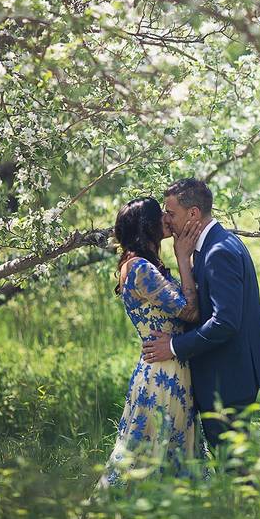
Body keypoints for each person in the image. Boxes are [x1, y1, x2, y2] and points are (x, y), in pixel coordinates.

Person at [142, 178, 260, 450]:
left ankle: (247, 495)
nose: (167, 220)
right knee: (230, 461)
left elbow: (224, 322)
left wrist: (172, 347)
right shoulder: (216, 244)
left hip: (229, 376)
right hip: (226, 372)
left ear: (193, 213)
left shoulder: (219, 251)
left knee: (232, 463)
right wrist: (183, 260)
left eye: (171, 213)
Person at [98, 197, 206, 489]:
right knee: (147, 458)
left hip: (170, 368)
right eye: (162, 215)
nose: (168, 219)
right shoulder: (140, 269)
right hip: (163, 375)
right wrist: (183, 258)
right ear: (148, 226)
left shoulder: (146, 266)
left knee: (170, 456)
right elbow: (190, 312)